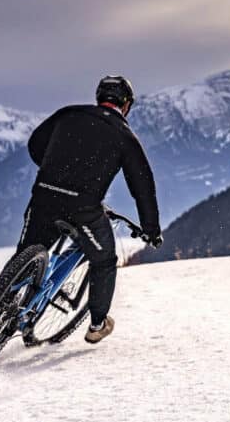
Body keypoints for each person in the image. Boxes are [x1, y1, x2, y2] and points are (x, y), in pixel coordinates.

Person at [18, 75, 162, 343]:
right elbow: (143, 188)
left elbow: (35, 144)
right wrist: (151, 229)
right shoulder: (125, 136)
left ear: (99, 97)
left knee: (27, 253)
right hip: (83, 207)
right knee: (104, 259)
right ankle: (97, 325)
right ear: (126, 105)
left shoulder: (68, 114)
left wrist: (55, 172)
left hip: (44, 195)